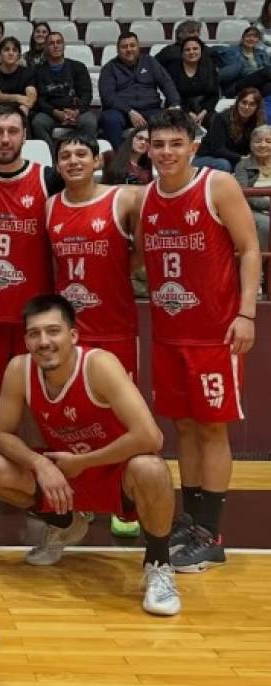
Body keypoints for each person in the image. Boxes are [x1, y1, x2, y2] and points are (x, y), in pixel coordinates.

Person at [0, 295, 182, 616]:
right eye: (34, 334)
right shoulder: (19, 369)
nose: (44, 342)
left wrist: (83, 462)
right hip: (64, 469)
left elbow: (151, 436)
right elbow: (0, 434)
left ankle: (158, 565)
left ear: (73, 335)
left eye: (53, 331)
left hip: (113, 472)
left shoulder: (100, 365)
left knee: (152, 469)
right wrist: (40, 463)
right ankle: (65, 524)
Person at [136, 108, 261, 572]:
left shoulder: (217, 186)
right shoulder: (147, 196)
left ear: (192, 146)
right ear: (146, 147)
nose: (165, 152)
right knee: (183, 427)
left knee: (212, 427)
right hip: (169, 333)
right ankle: (191, 523)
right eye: (158, 144)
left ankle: (213, 533)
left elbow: (249, 250)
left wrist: (247, 313)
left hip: (214, 333)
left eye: (174, 144)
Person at [0, 103, 57, 517]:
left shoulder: (46, 178)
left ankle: (41, 472)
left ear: (24, 136)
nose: (4, 139)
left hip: (32, 317)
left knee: (39, 398)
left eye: (12, 131)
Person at [47, 134, 139, 379]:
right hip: (69, 329)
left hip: (115, 325)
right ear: (57, 166)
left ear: (97, 161)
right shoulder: (49, 206)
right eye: (65, 157)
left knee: (120, 409)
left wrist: (116, 270)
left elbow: (142, 252)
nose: (73, 161)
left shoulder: (124, 200)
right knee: (73, 408)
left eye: (81, 155)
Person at [99, 32, 180, 149]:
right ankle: (117, 162)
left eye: (132, 45)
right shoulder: (109, 68)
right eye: (124, 47)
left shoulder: (150, 62)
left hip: (151, 109)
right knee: (110, 119)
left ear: (138, 47)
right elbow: (107, 96)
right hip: (121, 112)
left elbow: (167, 83)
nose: (129, 49)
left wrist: (175, 104)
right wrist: (129, 111)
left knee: (170, 118)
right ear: (118, 50)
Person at [31, 33, 96, 148]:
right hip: (51, 113)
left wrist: (77, 112)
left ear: (64, 46)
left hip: (77, 111)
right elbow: (40, 99)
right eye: (51, 43)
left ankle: (84, 154)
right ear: (45, 47)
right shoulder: (38, 71)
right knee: (38, 122)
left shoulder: (79, 67)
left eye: (59, 42)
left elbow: (87, 94)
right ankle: (51, 157)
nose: (55, 46)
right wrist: (56, 113)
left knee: (89, 122)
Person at [196, 87, 264, 172]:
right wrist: (242, 158)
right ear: (238, 102)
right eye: (244, 102)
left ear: (257, 107)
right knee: (225, 165)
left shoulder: (257, 122)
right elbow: (218, 150)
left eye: (252, 104)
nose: (247, 107)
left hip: (234, 159)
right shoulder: (221, 118)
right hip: (208, 158)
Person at [164, 38, 220, 131]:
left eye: (195, 48)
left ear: (201, 51)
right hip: (180, 108)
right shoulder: (173, 69)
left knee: (217, 121)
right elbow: (172, 96)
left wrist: (204, 112)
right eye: (187, 49)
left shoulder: (210, 67)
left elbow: (214, 95)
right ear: (182, 53)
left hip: (204, 109)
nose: (191, 52)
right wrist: (188, 113)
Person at [0, 37, 37, 119]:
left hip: (20, 112)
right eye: (6, 50)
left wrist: (24, 106)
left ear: (19, 55)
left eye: (14, 50)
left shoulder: (28, 73)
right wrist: (18, 98)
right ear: (0, 54)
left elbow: (31, 98)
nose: (11, 53)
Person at [234, 123, 271, 248]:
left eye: (268, 141)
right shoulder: (242, 165)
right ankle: (261, 265)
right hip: (252, 210)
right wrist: (268, 203)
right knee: (266, 224)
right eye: (258, 141)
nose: (263, 145)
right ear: (251, 145)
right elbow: (243, 193)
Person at [218, 27, 270, 92]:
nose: (251, 39)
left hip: (258, 83)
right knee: (266, 71)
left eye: (255, 37)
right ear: (242, 38)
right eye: (248, 36)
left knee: (268, 85)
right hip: (237, 84)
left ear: (258, 40)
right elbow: (240, 71)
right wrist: (260, 72)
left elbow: (268, 67)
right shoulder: (232, 51)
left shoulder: (262, 53)